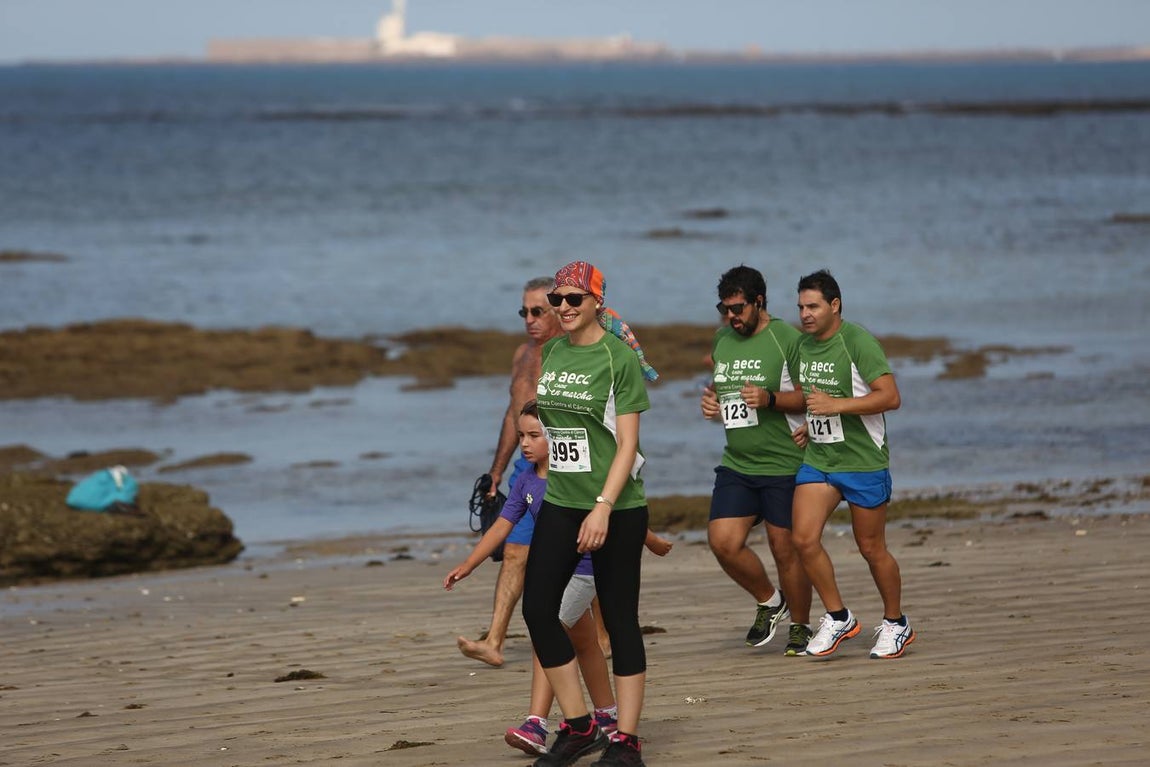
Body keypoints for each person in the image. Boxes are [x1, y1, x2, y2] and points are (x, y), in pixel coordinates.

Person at [445, 401, 673, 757]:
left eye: (535, 435)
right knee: (583, 643)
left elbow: (617, 511)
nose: (525, 443)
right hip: (555, 571)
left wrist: (653, 540)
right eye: (521, 435)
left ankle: (537, 723)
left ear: (559, 437)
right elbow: (502, 526)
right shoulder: (525, 481)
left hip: (584, 572)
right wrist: (469, 564)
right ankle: (608, 717)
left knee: (546, 631)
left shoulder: (575, 479)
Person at [524, 261, 658, 767]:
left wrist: (603, 507)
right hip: (562, 500)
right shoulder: (553, 351)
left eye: (573, 300)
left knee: (621, 620)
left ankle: (626, 741)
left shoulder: (617, 357)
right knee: (538, 609)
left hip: (616, 507)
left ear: (596, 302)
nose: (562, 309)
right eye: (557, 300)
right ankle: (579, 726)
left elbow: (627, 444)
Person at [790, 269, 913, 659]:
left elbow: (890, 397)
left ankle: (896, 623)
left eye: (813, 306)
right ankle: (838, 616)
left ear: (835, 305)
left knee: (871, 548)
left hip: (863, 462)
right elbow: (814, 398)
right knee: (803, 539)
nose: (805, 314)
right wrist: (813, 426)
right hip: (820, 459)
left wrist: (836, 407)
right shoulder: (803, 347)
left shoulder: (857, 341)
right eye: (800, 307)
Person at [700, 265, 814, 656]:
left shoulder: (786, 338)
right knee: (723, 542)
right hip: (738, 463)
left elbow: (810, 396)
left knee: (786, 551)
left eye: (738, 308)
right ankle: (770, 601)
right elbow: (722, 388)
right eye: (724, 309)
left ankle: (801, 625)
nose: (731, 316)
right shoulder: (722, 341)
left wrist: (771, 400)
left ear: (759, 302)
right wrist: (712, 402)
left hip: (784, 463)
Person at [459, 277, 562, 668]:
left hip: (560, 467)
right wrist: (496, 472)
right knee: (516, 551)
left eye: (539, 311)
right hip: (525, 467)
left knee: (576, 556)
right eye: (525, 312)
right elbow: (511, 416)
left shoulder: (569, 354)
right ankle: (495, 641)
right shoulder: (522, 354)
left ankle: (602, 635)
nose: (530, 320)